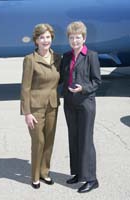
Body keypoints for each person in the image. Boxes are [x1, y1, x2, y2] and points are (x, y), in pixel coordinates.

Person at [60, 21, 101, 193]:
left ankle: (91, 179)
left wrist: (83, 88)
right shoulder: (67, 56)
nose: (75, 41)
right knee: (74, 138)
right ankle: (78, 173)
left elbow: (97, 81)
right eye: (72, 38)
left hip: (85, 103)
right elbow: (61, 78)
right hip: (69, 103)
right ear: (68, 39)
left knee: (85, 140)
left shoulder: (91, 55)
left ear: (83, 38)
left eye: (78, 37)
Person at [20, 23, 61, 189]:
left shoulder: (57, 58)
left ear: (52, 39)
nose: (45, 40)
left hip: (52, 105)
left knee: (49, 140)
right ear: (36, 40)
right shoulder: (30, 60)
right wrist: (27, 112)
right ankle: (35, 176)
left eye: (48, 37)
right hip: (35, 107)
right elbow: (25, 87)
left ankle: (45, 172)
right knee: (39, 141)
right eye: (42, 37)